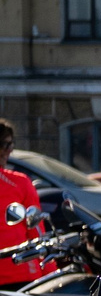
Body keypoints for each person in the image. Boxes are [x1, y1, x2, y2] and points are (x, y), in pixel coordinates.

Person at [0, 120, 47, 287]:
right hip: (19, 274)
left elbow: (36, 232)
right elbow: (36, 232)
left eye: (11, 144)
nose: (9, 150)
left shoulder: (19, 182)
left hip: (19, 272)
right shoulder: (18, 182)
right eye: (4, 144)